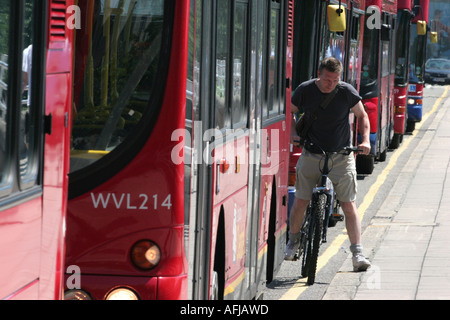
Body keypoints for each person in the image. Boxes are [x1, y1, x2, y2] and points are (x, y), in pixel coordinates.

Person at [285, 57, 371, 272]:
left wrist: (366, 140)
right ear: (319, 74)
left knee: (348, 205)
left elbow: (362, 115)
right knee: (301, 201)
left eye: (334, 81)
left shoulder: (346, 91)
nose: (330, 84)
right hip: (312, 153)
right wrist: (294, 133)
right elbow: (290, 112)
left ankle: (357, 253)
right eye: (326, 80)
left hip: (341, 156)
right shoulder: (305, 89)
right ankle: (293, 241)